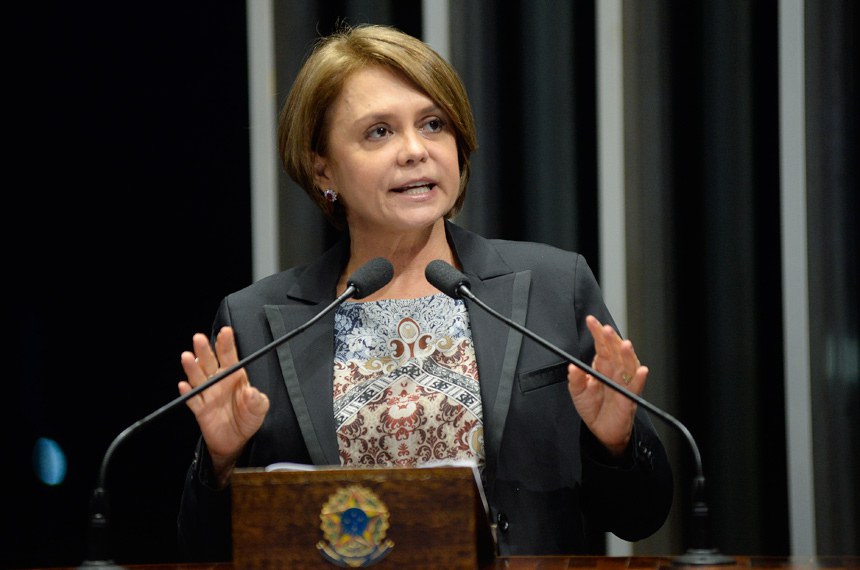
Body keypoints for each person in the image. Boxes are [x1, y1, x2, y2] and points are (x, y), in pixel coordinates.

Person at [176, 22, 673, 560]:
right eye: (379, 132)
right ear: (323, 168)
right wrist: (220, 461)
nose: (415, 150)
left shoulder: (554, 286)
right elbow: (205, 553)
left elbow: (639, 517)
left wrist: (617, 444)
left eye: (433, 124)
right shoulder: (257, 321)